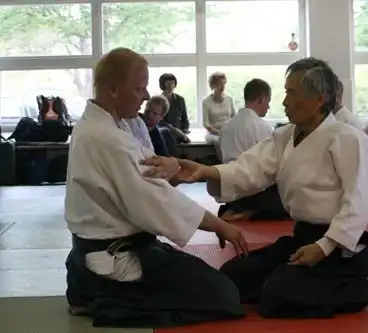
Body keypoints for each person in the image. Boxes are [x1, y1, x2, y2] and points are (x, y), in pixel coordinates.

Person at [145, 57, 368, 318]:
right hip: (302, 239)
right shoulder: (285, 136)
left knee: (277, 296)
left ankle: (358, 288)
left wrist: (324, 246)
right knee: (234, 276)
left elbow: (359, 201)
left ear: (320, 99)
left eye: (292, 93)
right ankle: (289, 282)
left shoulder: (348, 139)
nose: (284, 101)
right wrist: (205, 171)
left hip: (339, 249)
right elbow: (251, 168)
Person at [64, 47, 248, 328]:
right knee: (224, 296)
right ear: (114, 90)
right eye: (140, 88)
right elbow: (154, 199)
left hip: (104, 248)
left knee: (208, 278)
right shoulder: (108, 138)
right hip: (117, 256)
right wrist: (219, 225)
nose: (147, 96)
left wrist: (174, 167)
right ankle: (105, 297)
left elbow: (147, 179)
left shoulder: (100, 126)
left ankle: (87, 285)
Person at [218, 78, 289, 221]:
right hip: (252, 190)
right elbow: (271, 165)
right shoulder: (261, 126)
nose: (268, 107)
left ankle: (236, 208)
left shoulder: (227, 127)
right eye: (267, 101)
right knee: (291, 202)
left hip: (229, 189)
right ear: (260, 98)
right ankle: (249, 211)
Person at [202, 72, 236, 145]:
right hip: (213, 134)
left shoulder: (229, 99)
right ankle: (223, 157)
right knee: (219, 141)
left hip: (228, 131)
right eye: (219, 84)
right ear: (213, 85)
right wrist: (220, 133)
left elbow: (234, 117)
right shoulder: (206, 101)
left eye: (224, 83)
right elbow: (206, 124)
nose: (222, 86)